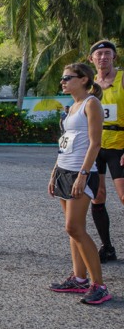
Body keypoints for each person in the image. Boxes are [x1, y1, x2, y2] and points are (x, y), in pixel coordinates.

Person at [48, 63, 111, 305]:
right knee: (73, 230)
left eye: (67, 78)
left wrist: (84, 173)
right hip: (64, 170)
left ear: (84, 79)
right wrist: (54, 172)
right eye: (62, 78)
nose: (63, 82)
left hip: (81, 172)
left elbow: (95, 143)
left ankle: (100, 285)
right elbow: (64, 142)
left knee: (74, 228)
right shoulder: (72, 106)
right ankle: (79, 278)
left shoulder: (91, 103)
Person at [88, 40, 124, 262]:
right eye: (99, 54)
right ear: (91, 58)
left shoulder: (122, 79)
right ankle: (107, 247)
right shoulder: (89, 84)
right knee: (97, 196)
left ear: (114, 57)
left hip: (119, 145)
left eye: (107, 53)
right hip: (96, 146)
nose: (103, 57)